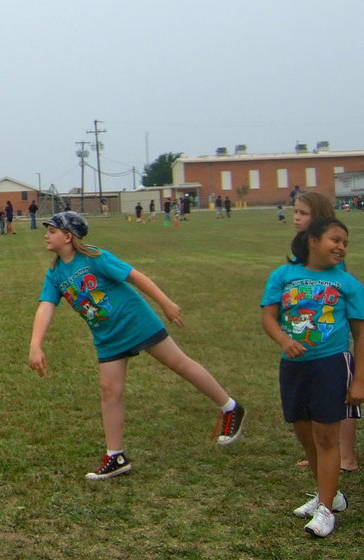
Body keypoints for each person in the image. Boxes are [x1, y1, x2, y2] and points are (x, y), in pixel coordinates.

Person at [28, 211, 245, 480]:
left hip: (135, 322)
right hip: (107, 337)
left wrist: (165, 303)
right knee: (110, 392)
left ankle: (230, 407)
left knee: (180, 364)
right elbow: (45, 307)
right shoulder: (55, 273)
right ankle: (115, 456)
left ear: (68, 237)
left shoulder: (95, 257)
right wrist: (36, 344)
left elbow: (135, 276)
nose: (46, 234)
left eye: (52, 231)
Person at [261, 217, 364, 537]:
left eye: (345, 243)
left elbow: (361, 334)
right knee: (304, 434)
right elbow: (268, 316)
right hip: (293, 368)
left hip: (331, 365)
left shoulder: (348, 283)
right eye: (335, 239)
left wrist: (359, 380)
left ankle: (326, 509)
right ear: (313, 241)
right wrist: (283, 340)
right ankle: (327, 494)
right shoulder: (283, 275)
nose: (341, 247)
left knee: (326, 437)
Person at [292, 191, 358, 472]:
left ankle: (346, 457)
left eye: (303, 213)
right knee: (317, 398)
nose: (296, 217)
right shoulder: (303, 246)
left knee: (341, 400)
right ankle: (321, 452)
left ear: (318, 218)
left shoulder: (330, 252)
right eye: (295, 211)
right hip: (313, 337)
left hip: (334, 338)